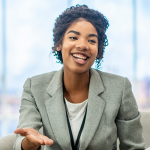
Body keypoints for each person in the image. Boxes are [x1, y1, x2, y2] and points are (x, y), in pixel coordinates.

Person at [13, 5, 145, 150]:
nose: (82, 45)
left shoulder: (120, 88)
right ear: (59, 44)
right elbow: (22, 140)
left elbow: (134, 147)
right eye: (73, 37)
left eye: (92, 41)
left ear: (98, 51)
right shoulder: (34, 86)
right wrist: (30, 142)